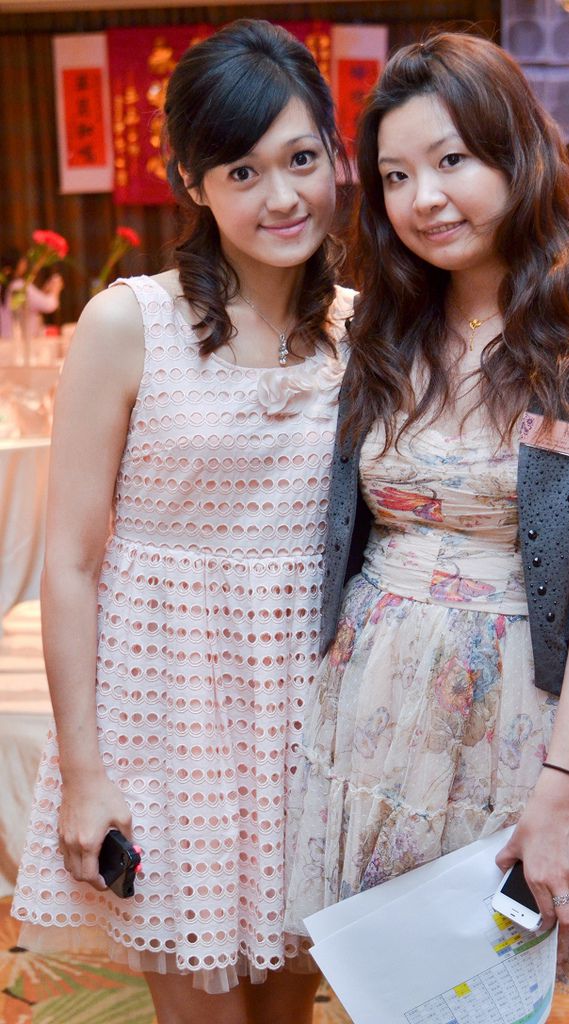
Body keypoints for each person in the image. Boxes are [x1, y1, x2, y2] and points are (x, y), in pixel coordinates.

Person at [283, 31, 569, 1002]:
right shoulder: (379, 329)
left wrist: (563, 789)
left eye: (452, 159)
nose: (424, 198)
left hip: (526, 719)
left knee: (499, 993)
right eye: (396, 175)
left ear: (517, 153)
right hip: (372, 709)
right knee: (393, 993)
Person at [12, 19, 353, 1024]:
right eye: (242, 172)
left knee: (289, 1012)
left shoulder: (365, 329)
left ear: (336, 156)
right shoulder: (130, 323)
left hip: (309, 722)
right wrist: (85, 772)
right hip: (165, 716)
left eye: (301, 159)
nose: (281, 196)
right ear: (192, 183)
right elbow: (71, 563)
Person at [0, 246, 64, 338]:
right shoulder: (20, 286)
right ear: (18, 264)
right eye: (23, 260)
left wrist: (45, 290)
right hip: (22, 339)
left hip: (5, 339)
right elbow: (49, 305)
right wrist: (55, 289)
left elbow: (31, 303)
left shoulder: (4, 286)